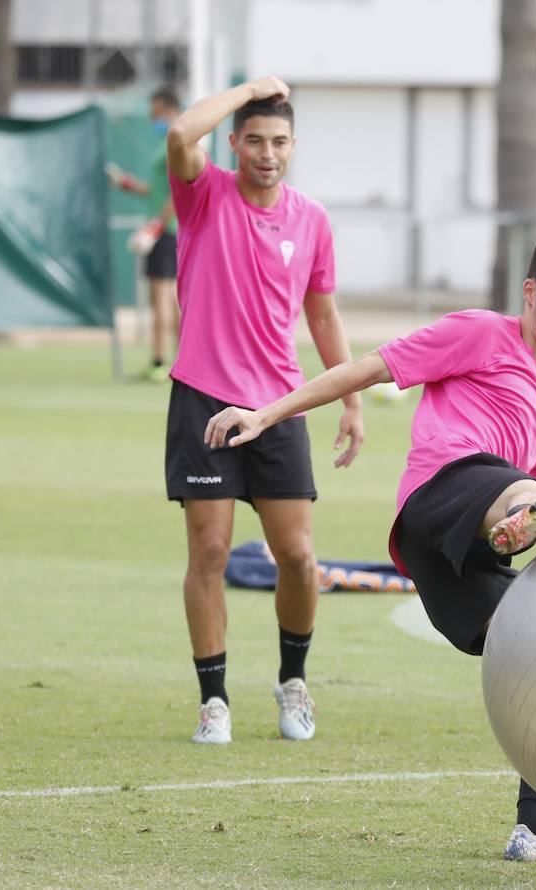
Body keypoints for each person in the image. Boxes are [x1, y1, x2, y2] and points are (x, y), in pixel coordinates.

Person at [204, 231, 536, 862]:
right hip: (442, 493)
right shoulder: (482, 332)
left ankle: (534, 826)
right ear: (531, 292)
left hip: (448, 557)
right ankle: (518, 518)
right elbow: (370, 367)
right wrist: (265, 414)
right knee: (526, 494)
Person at [164, 76, 365, 745]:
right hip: (203, 400)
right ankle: (213, 699)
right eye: (254, 139)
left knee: (300, 558)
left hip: (280, 407)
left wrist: (351, 400)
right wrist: (248, 87)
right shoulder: (203, 194)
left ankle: (294, 683)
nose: (268, 152)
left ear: (293, 145)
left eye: (279, 140)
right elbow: (178, 134)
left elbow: (324, 314)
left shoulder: (311, 219)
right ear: (235, 143)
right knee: (210, 552)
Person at [107, 86, 182, 382]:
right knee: (173, 300)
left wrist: (156, 226)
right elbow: (158, 191)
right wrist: (125, 183)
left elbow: (179, 193)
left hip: (167, 233)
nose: (153, 119)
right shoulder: (165, 146)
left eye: (155, 112)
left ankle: (159, 362)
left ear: (169, 109)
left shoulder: (174, 146)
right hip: (169, 231)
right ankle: (180, 362)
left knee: (161, 299)